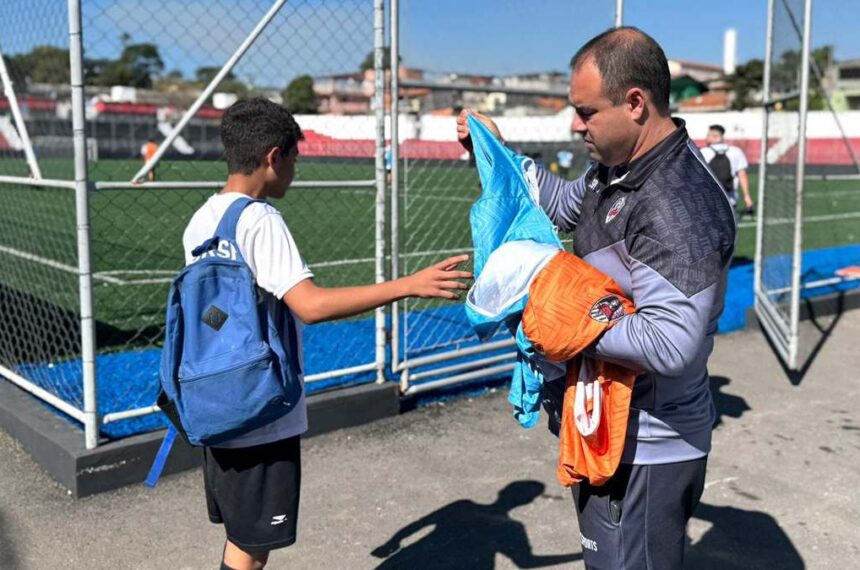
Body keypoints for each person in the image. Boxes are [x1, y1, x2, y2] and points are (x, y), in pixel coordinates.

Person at [457, 27, 735, 569]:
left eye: (586, 112)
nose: (574, 124)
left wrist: (550, 312)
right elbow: (566, 205)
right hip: (607, 428)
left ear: (635, 103)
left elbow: (670, 343)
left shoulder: (679, 203)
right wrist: (496, 154)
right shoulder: (618, 167)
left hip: (647, 448)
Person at [184, 97, 471, 570]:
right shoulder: (259, 220)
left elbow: (210, 315)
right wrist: (408, 285)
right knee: (251, 550)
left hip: (219, 398)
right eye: (294, 158)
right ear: (274, 156)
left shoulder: (202, 218)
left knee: (243, 537)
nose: (295, 171)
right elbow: (311, 306)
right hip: (261, 409)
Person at [700, 124, 754, 219]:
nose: (706, 138)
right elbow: (742, 175)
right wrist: (747, 196)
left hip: (708, 200)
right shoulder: (736, 151)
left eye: (708, 135)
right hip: (730, 199)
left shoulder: (703, 152)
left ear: (715, 136)